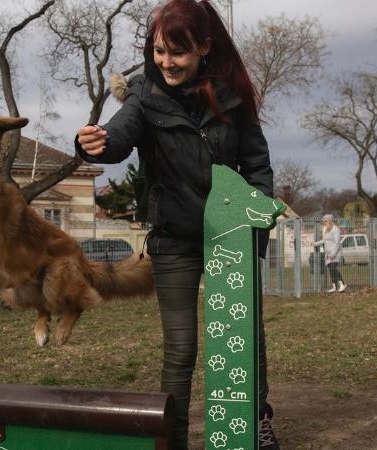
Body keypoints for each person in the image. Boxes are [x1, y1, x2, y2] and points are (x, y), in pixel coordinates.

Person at [75, 1, 278, 448]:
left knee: (246, 337)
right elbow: (118, 137)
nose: (166, 62)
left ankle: (256, 422)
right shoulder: (145, 92)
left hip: (231, 237)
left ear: (204, 48)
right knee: (181, 348)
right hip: (174, 239)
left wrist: (256, 227)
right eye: (161, 50)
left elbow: (257, 166)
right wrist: (93, 145)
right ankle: (174, 440)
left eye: (179, 53)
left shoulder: (233, 94)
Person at [319, 214, 346, 293]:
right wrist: (316, 243)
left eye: (325, 221)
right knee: (331, 269)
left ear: (330, 221)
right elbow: (324, 240)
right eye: (323, 222)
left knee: (334, 268)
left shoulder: (336, 229)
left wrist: (333, 254)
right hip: (327, 253)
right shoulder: (324, 229)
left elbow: (337, 243)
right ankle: (334, 287)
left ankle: (342, 284)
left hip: (335, 253)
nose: (324, 223)